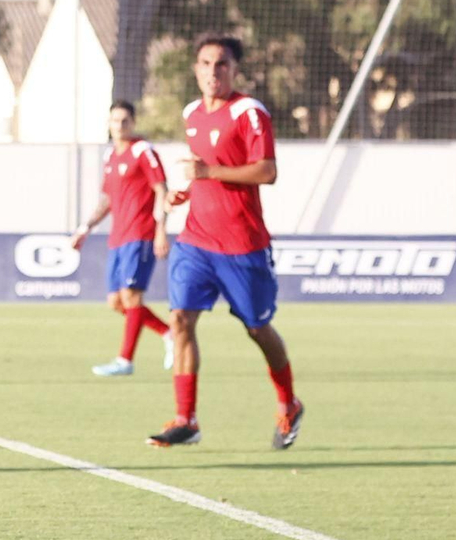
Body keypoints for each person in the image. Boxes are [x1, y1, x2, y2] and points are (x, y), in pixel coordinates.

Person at [150, 34, 303, 449]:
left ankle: (289, 403)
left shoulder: (249, 112)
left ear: (234, 70)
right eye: (205, 63)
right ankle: (186, 419)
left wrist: (209, 174)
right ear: (195, 69)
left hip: (242, 246)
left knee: (258, 328)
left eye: (221, 64)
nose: (212, 71)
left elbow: (267, 171)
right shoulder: (192, 114)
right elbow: (203, 173)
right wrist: (186, 193)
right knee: (180, 320)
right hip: (195, 240)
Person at [71, 100, 173, 376]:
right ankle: (169, 333)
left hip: (140, 233)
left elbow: (162, 189)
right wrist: (85, 227)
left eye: (125, 121)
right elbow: (107, 199)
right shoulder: (111, 156)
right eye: (115, 121)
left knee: (131, 296)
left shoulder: (143, 151)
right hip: (118, 237)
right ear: (109, 123)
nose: (119, 126)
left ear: (133, 123)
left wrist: (161, 229)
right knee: (116, 302)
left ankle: (125, 360)